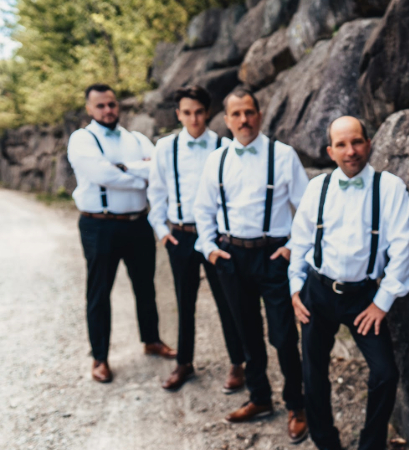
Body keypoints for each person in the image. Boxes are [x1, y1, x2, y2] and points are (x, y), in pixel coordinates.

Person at [288, 116, 409, 450]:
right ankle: (325, 441)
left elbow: (403, 250)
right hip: (317, 291)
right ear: (330, 151)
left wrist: (382, 302)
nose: (351, 151)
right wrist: (295, 288)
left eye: (356, 142)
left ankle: (370, 444)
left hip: (364, 297)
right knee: (313, 373)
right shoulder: (318, 188)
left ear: (369, 143)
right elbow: (300, 241)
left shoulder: (389, 188)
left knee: (385, 373)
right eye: (341, 145)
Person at [193, 88, 309, 443]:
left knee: (284, 337)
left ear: (259, 115)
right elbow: (203, 209)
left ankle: (296, 405)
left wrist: (292, 248)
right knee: (246, 335)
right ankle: (260, 397)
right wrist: (210, 249)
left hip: (274, 257)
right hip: (232, 258)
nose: (243, 120)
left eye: (249, 112)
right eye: (236, 114)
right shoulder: (217, 159)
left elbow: (305, 209)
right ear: (227, 121)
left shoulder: (283, 155)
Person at [68, 83, 176, 384]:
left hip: (138, 223)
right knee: (99, 291)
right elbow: (101, 174)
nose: (107, 110)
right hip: (99, 225)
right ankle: (100, 358)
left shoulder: (136, 138)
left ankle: (151, 339)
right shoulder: (82, 139)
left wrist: (124, 168)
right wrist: (138, 175)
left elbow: (158, 171)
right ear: (89, 109)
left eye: (111, 104)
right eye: (100, 106)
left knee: (145, 286)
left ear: (119, 106)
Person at [147, 85, 247, 392]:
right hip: (180, 236)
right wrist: (163, 233)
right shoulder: (165, 148)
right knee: (184, 301)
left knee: (226, 301)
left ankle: (237, 362)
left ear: (208, 113)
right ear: (178, 114)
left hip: (215, 237)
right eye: (187, 113)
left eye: (199, 112)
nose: (193, 119)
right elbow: (157, 194)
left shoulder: (223, 145)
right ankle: (184, 362)